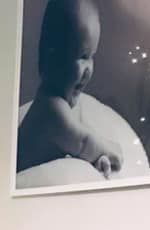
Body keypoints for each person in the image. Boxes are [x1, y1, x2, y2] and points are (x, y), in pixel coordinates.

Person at [18, 0, 123, 177]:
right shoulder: (51, 110)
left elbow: (80, 136)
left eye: (92, 56)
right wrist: (111, 149)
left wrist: (98, 157)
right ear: (53, 59)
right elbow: (83, 142)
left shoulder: (58, 104)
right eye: (82, 56)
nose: (89, 68)